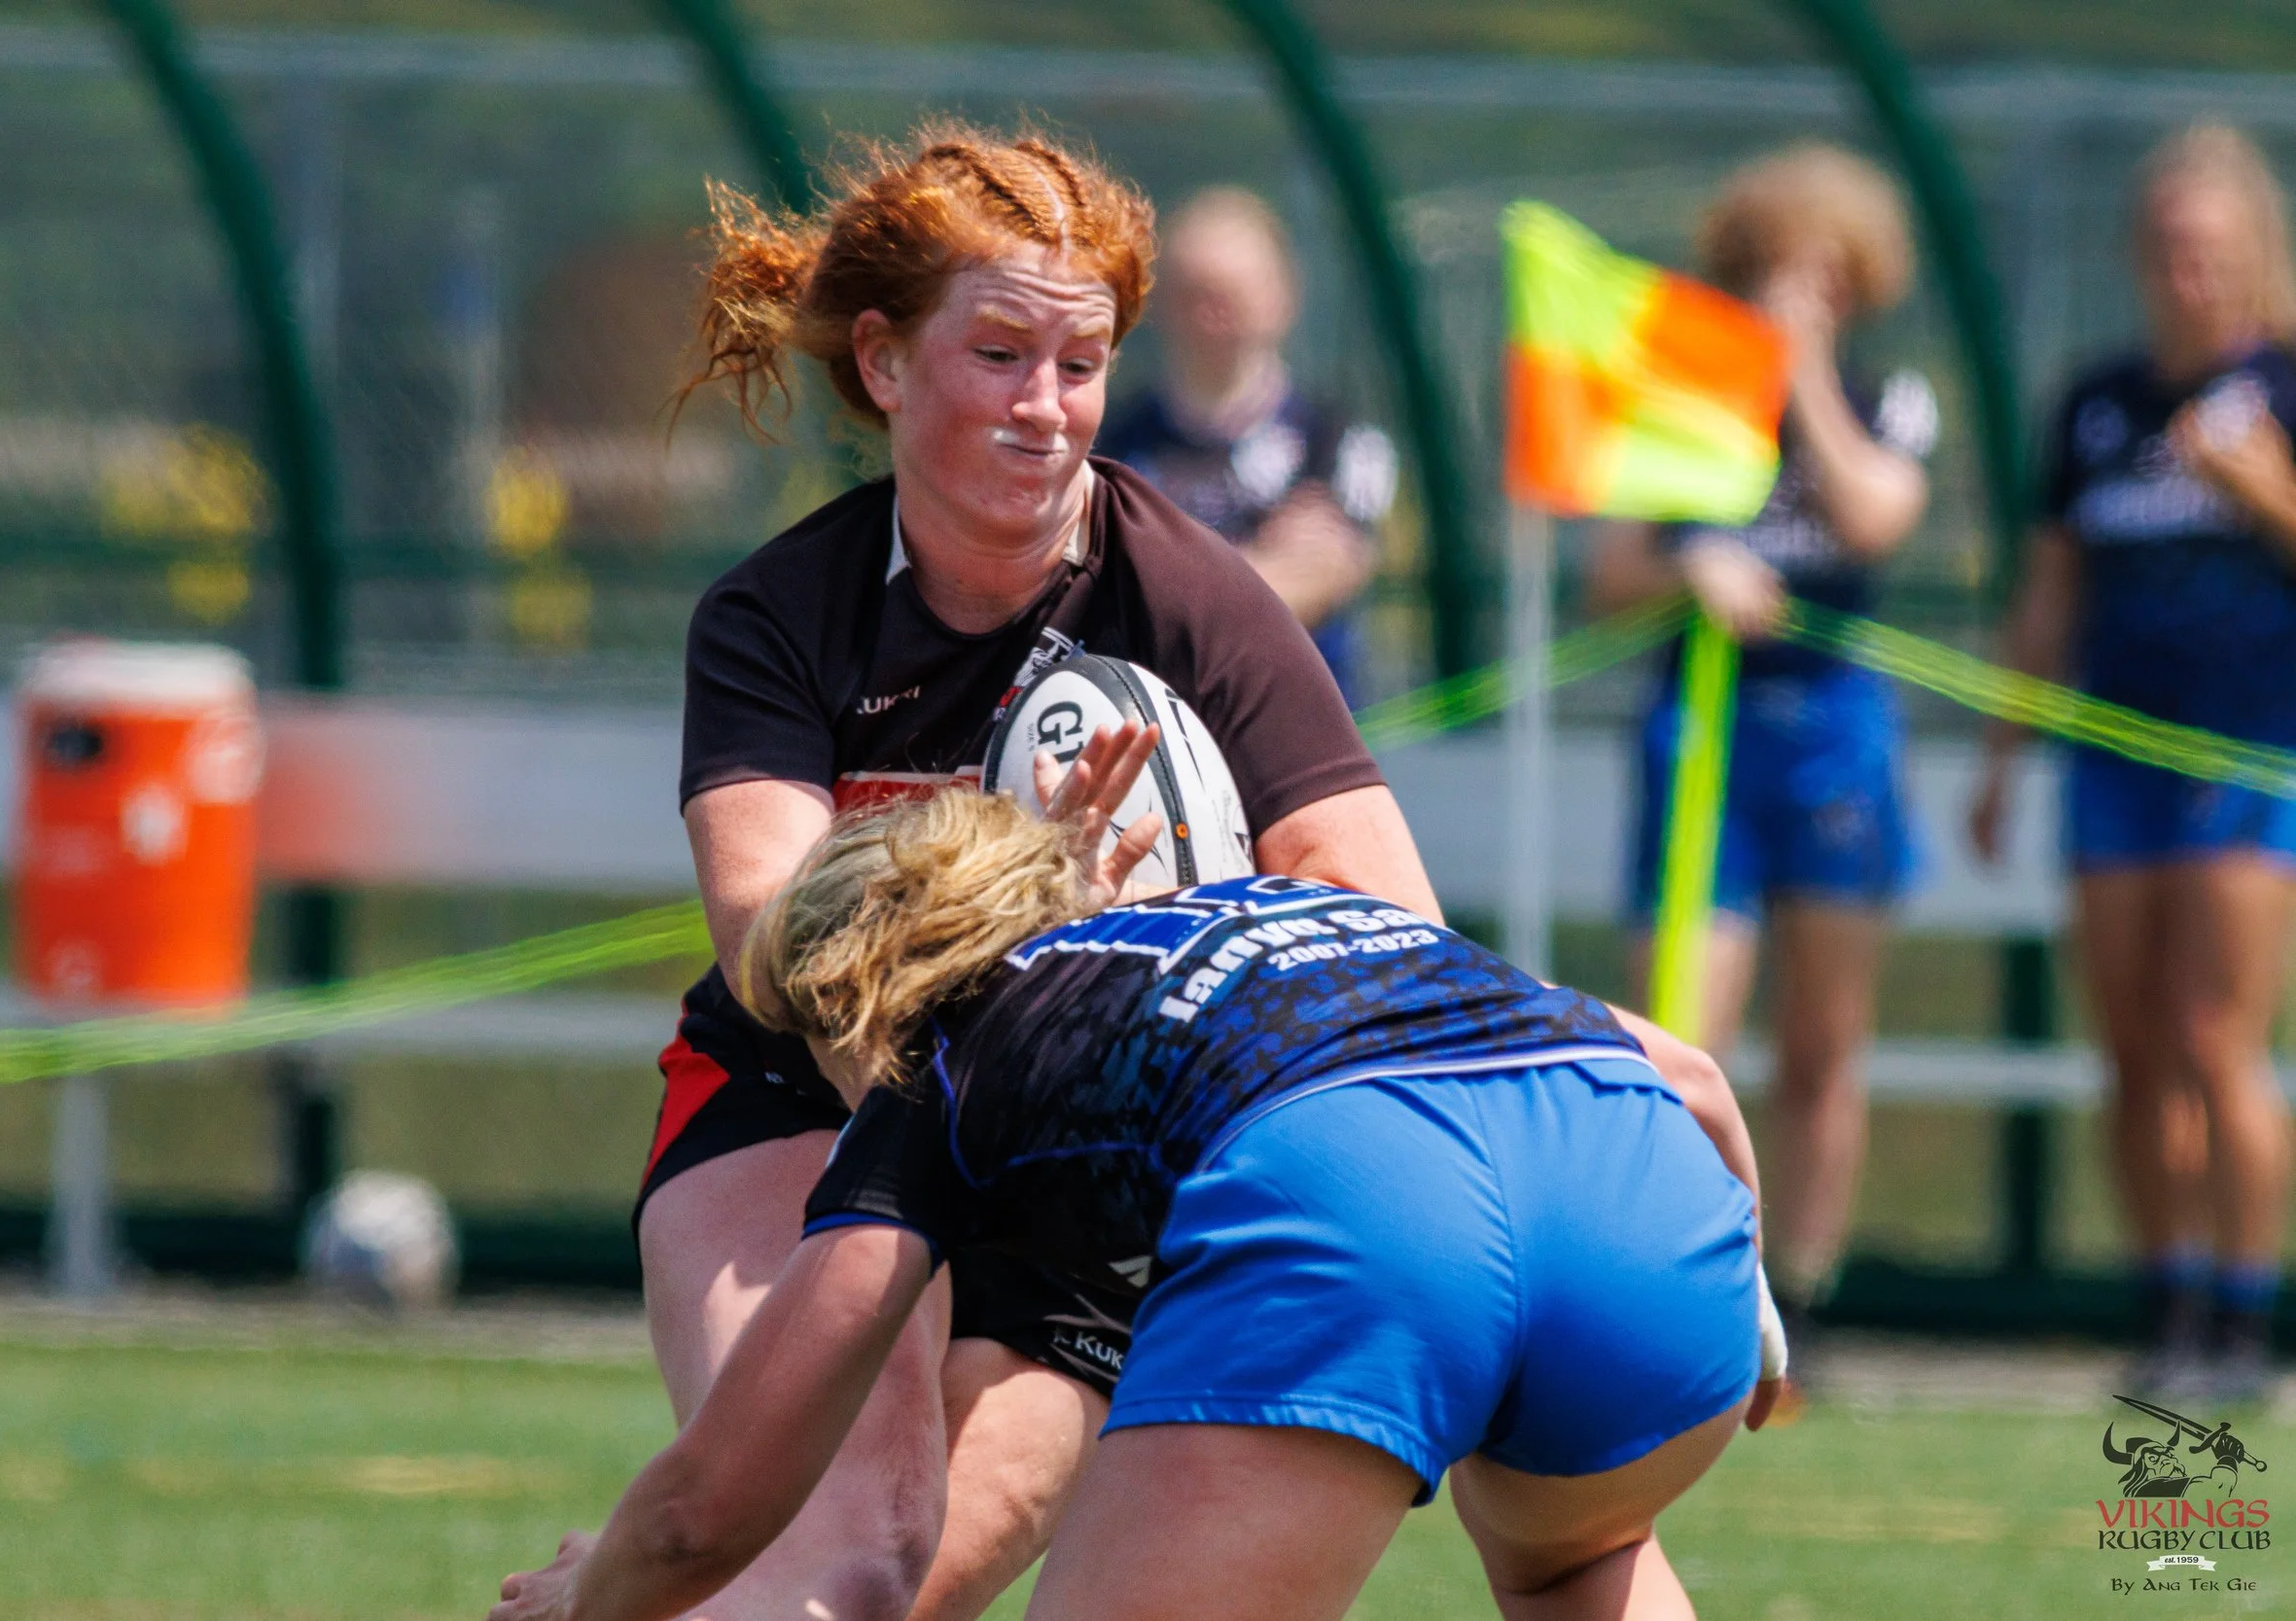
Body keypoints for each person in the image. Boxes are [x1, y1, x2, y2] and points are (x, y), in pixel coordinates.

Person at [636, 122, 1738, 1621]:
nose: (1046, 409)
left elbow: (1385, 929)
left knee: (929, 1566)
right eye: (1000, 355)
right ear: (886, 364)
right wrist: (1029, 914)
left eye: (1079, 366)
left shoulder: (1191, 590)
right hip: (800, 1100)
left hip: (1092, 1123)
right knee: (853, 1546)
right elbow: (780, 943)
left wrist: (1147, 962)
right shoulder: (782, 612)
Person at [496, 783, 1780, 1621]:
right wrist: (1751, 1315)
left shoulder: (936, 1058)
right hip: (1658, 1219)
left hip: (1370, 1196)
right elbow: (1695, 1072)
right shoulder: (1267, 909)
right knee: (1571, 1559)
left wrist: (589, 1599)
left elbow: (712, 1501)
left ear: (849, 994)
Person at [1588, 143, 1937, 1370]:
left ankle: (1809, 1291)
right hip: (1701, 732)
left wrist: (1807, 380)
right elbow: (1610, 570)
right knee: (1677, 1028)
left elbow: (1875, 512)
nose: (1800, 294)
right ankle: (1676, 1286)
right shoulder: (1683, 400)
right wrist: (1690, 562)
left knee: (1824, 1040)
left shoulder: (1887, 396)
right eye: (1777, 273)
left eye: (1826, 275)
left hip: (1835, 732)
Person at [1970, 124, 2296, 1404]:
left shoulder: (2279, 388)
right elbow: (2050, 593)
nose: (2187, 273)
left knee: (2221, 1035)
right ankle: (2163, 1297)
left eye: (2210, 251)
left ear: (2253, 254)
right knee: (2133, 1040)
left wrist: (2259, 485)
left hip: (2248, 751)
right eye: (2167, 249)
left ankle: (2242, 1312)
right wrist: (2003, 752)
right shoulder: (2098, 404)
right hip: (2112, 763)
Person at [1097, 187, 1396, 700]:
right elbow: (1101, 596)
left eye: (1234, 292)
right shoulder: (1108, 442)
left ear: (1284, 296)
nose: (1215, 314)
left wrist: (1160, 579)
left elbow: (1319, 580)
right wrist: (1265, 561)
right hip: (1150, 735)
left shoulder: (1338, 443)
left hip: (1298, 740)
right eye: (1197, 292)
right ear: (1162, 302)